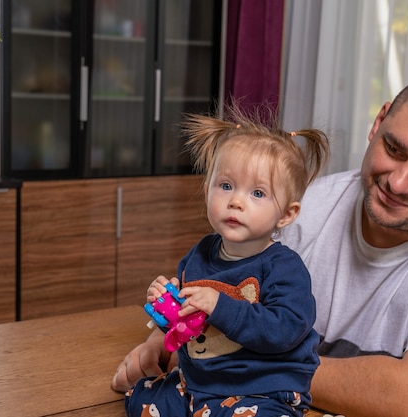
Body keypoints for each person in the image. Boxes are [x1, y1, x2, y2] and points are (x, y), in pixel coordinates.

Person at [112, 70, 408, 417]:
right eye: (394, 148)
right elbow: (222, 287)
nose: (398, 182)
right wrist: (172, 340)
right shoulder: (310, 203)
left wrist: (221, 363)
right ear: (378, 123)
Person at [124, 104, 330, 417]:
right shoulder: (199, 254)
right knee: (138, 400)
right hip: (201, 380)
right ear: (207, 191)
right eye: (226, 186)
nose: (235, 201)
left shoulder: (284, 267)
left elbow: (285, 331)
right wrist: (166, 306)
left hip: (260, 387)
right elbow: (187, 328)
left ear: (287, 214)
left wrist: (220, 306)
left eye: (258, 193)